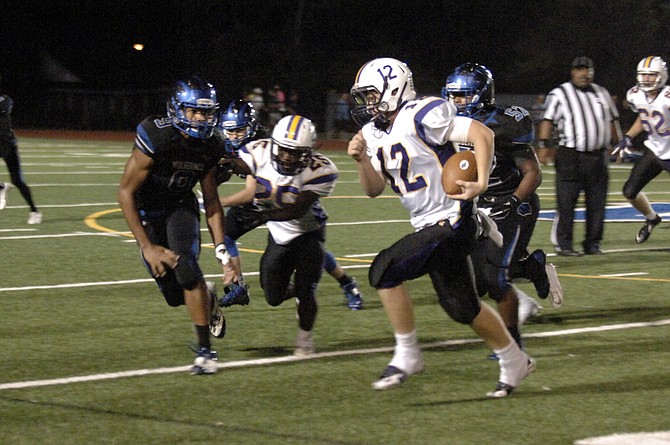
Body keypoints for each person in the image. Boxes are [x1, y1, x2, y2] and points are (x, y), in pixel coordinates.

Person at [347, 57, 535, 397]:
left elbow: (481, 132)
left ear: (394, 88)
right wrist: (361, 160)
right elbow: (373, 189)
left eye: (372, 94)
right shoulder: (373, 133)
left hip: (453, 217)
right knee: (462, 308)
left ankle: (408, 354)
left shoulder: (420, 112)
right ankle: (514, 360)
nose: (367, 103)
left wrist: (479, 182)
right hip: (428, 224)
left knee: (383, 270)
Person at [117, 76, 235, 375]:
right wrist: (147, 247)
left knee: (186, 269)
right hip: (147, 210)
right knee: (173, 297)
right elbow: (125, 192)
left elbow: (211, 199)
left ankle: (205, 352)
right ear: (177, 110)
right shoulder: (156, 136)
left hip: (179, 206)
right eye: (193, 111)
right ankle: (205, 297)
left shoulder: (211, 145)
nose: (200, 118)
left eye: (206, 112)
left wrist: (222, 250)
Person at [442, 63, 564, 346]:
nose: (456, 102)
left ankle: (512, 346)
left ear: (482, 94)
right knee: (478, 280)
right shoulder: (448, 123)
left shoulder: (504, 123)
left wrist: (512, 201)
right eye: (453, 95)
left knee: (495, 278)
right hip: (479, 204)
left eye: (463, 95)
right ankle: (534, 267)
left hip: (513, 202)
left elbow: (533, 173)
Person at [215, 100, 363, 310]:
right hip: (262, 200)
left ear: (251, 126)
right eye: (229, 131)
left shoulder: (270, 146)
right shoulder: (232, 146)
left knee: (310, 247)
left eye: (239, 130)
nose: (234, 136)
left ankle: (346, 282)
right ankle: (239, 288)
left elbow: (250, 193)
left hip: (284, 200)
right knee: (225, 233)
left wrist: (219, 202)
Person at [232, 114, 339, 355]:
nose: (289, 157)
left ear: (309, 152)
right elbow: (235, 164)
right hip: (279, 237)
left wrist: (263, 217)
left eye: (296, 152)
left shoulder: (320, 170)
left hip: (308, 235)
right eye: (284, 150)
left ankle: (305, 338)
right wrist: (224, 164)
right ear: (273, 144)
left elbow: (297, 209)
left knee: (307, 290)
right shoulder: (258, 151)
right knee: (272, 295)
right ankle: (299, 293)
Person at [537, 56, 622, 256]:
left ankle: (593, 244)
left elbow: (612, 121)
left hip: (598, 156)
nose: (584, 73)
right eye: (580, 69)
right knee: (566, 202)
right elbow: (547, 121)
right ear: (572, 72)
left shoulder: (602, 93)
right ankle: (565, 245)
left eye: (587, 69)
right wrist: (543, 146)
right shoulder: (560, 93)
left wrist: (618, 145)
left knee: (597, 203)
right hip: (570, 155)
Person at [611, 56, 670, 243]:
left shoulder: (667, 96)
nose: (646, 79)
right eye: (643, 75)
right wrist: (628, 137)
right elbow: (645, 118)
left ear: (661, 76)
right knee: (629, 191)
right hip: (654, 150)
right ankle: (652, 218)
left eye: (651, 75)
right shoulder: (635, 94)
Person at [0, 91, 41, 224]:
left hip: (7, 145)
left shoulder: (4, 99)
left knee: (17, 181)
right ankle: (1, 187)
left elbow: (6, 106)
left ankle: (34, 211)